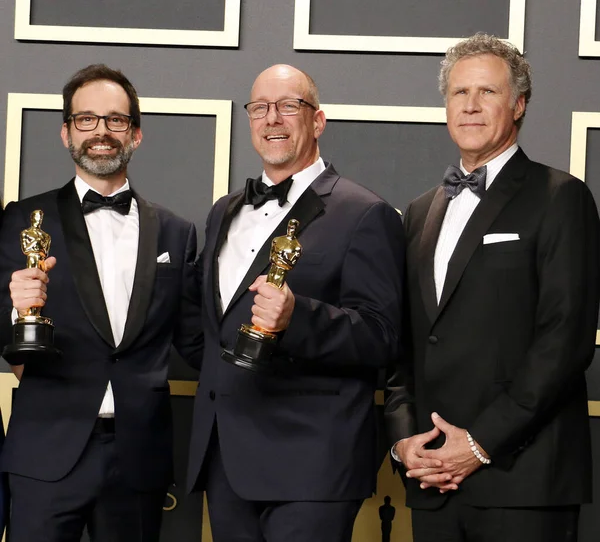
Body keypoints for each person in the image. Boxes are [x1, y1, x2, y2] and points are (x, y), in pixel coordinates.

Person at [384, 33, 600, 542]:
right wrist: (404, 441)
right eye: (459, 93)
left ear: (519, 104)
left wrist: (479, 444)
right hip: (433, 479)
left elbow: (564, 341)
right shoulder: (419, 212)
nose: (471, 106)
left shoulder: (562, 197)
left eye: (487, 92)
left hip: (523, 480)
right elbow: (403, 343)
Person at [186, 64, 405, 542]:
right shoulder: (223, 211)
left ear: (318, 121)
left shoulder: (366, 213)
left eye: (289, 106)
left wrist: (296, 318)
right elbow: (209, 322)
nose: (273, 119)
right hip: (226, 458)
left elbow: (382, 336)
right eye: (260, 108)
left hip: (312, 463)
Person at [0, 64, 202, 541]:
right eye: (87, 120)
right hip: (46, 452)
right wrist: (15, 311)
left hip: (139, 457)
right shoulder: (22, 219)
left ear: (136, 134)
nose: (101, 133)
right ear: (66, 132)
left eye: (115, 120)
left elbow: (196, 341)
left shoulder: (177, 231)